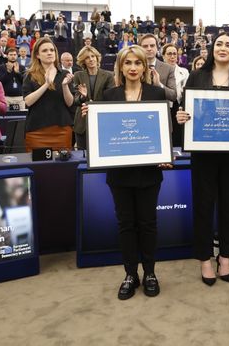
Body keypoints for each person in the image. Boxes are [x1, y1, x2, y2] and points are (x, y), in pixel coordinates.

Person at [81, 45, 168, 299]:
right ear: (120, 66)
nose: (132, 67)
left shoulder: (156, 93)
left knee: (148, 224)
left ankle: (150, 273)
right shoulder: (109, 95)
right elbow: (103, 134)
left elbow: (163, 130)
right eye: (127, 63)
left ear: (144, 66)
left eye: (137, 63)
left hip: (149, 173)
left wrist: (164, 154)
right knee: (126, 225)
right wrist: (90, 118)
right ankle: (130, 274)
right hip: (119, 174)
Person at [176, 31, 229, 286]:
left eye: (228, 45)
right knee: (203, 205)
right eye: (219, 44)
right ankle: (205, 259)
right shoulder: (197, 76)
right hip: (203, 154)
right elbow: (186, 111)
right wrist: (182, 117)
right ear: (212, 49)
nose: (223, 48)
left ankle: (225, 257)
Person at [22, 37, 74, 151]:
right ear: (37, 55)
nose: (49, 53)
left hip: (62, 129)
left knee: (62, 161)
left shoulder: (64, 74)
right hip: (36, 131)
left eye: (52, 50)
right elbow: (28, 101)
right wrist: (46, 84)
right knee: (37, 161)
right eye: (45, 51)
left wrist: (65, 86)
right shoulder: (30, 75)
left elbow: (70, 103)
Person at [72, 46, 114, 149]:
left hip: (102, 121)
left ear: (97, 58)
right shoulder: (78, 75)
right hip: (82, 122)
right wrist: (83, 97)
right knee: (83, 153)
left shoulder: (108, 75)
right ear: (83, 61)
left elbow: (110, 98)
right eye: (87, 57)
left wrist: (94, 106)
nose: (91, 59)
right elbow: (75, 100)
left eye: (93, 56)